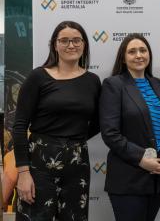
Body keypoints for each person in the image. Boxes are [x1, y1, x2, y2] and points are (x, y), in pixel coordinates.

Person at [12, 21, 101, 221]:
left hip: (77, 165)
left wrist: (73, 141)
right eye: (65, 40)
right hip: (39, 166)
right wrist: (23, 173)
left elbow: (99, 122)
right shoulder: (38, 77)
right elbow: (19, 127)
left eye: (77, 40)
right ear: (55, 44)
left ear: (84, 44)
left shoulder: (93, 81)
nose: (71, 45)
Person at [100, 33, 160, 221]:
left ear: (149, 54)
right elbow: (110, 133)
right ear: (123, 58)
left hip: (157, 177)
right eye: (132, 51)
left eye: (143, 50)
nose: (139, 55)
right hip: (128, 177)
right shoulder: (114, 85)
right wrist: (141, 158)